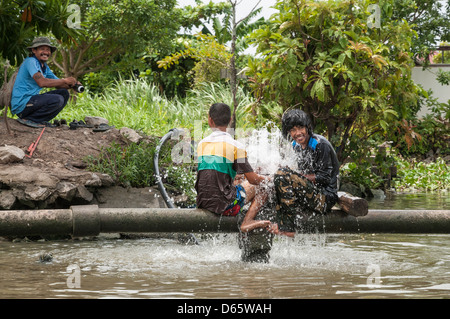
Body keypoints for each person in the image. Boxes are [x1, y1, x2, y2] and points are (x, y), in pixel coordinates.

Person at [195, 103, 272, 233]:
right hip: (224, 206)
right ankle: (247, 221)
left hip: (202, 202)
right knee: (264, 186)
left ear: (210, 120)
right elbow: (253, 180)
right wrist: (270, 178)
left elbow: (218, 173)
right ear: (230, 121)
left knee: (237, 182)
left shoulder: (202, 144)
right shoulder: (237, 146)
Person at [272, 109, 340, 237]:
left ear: (307, 127)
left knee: (283, 174)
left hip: (324, 199)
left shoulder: (320, 144)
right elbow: (301, 175)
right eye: (292, 130)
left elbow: (324, 178)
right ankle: (274, 221)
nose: (297, 133)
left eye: (300, 128)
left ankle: (288, 227)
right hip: (310, 194)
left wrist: (293, 176)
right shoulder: (296, 146)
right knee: (274, 177)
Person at [11, 36, 80, 128]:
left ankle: (39, 120)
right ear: (34, 50)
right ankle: (30, 119)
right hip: (22, 105)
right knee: (57, 99)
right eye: (42, 49)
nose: (46, 52)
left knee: (64, 93)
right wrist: (65, 80)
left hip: (31, 101)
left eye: (48, 50)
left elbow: (59, 84)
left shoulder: (44, 66)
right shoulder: (31, 61)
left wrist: (72, 84)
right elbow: (42, 82)